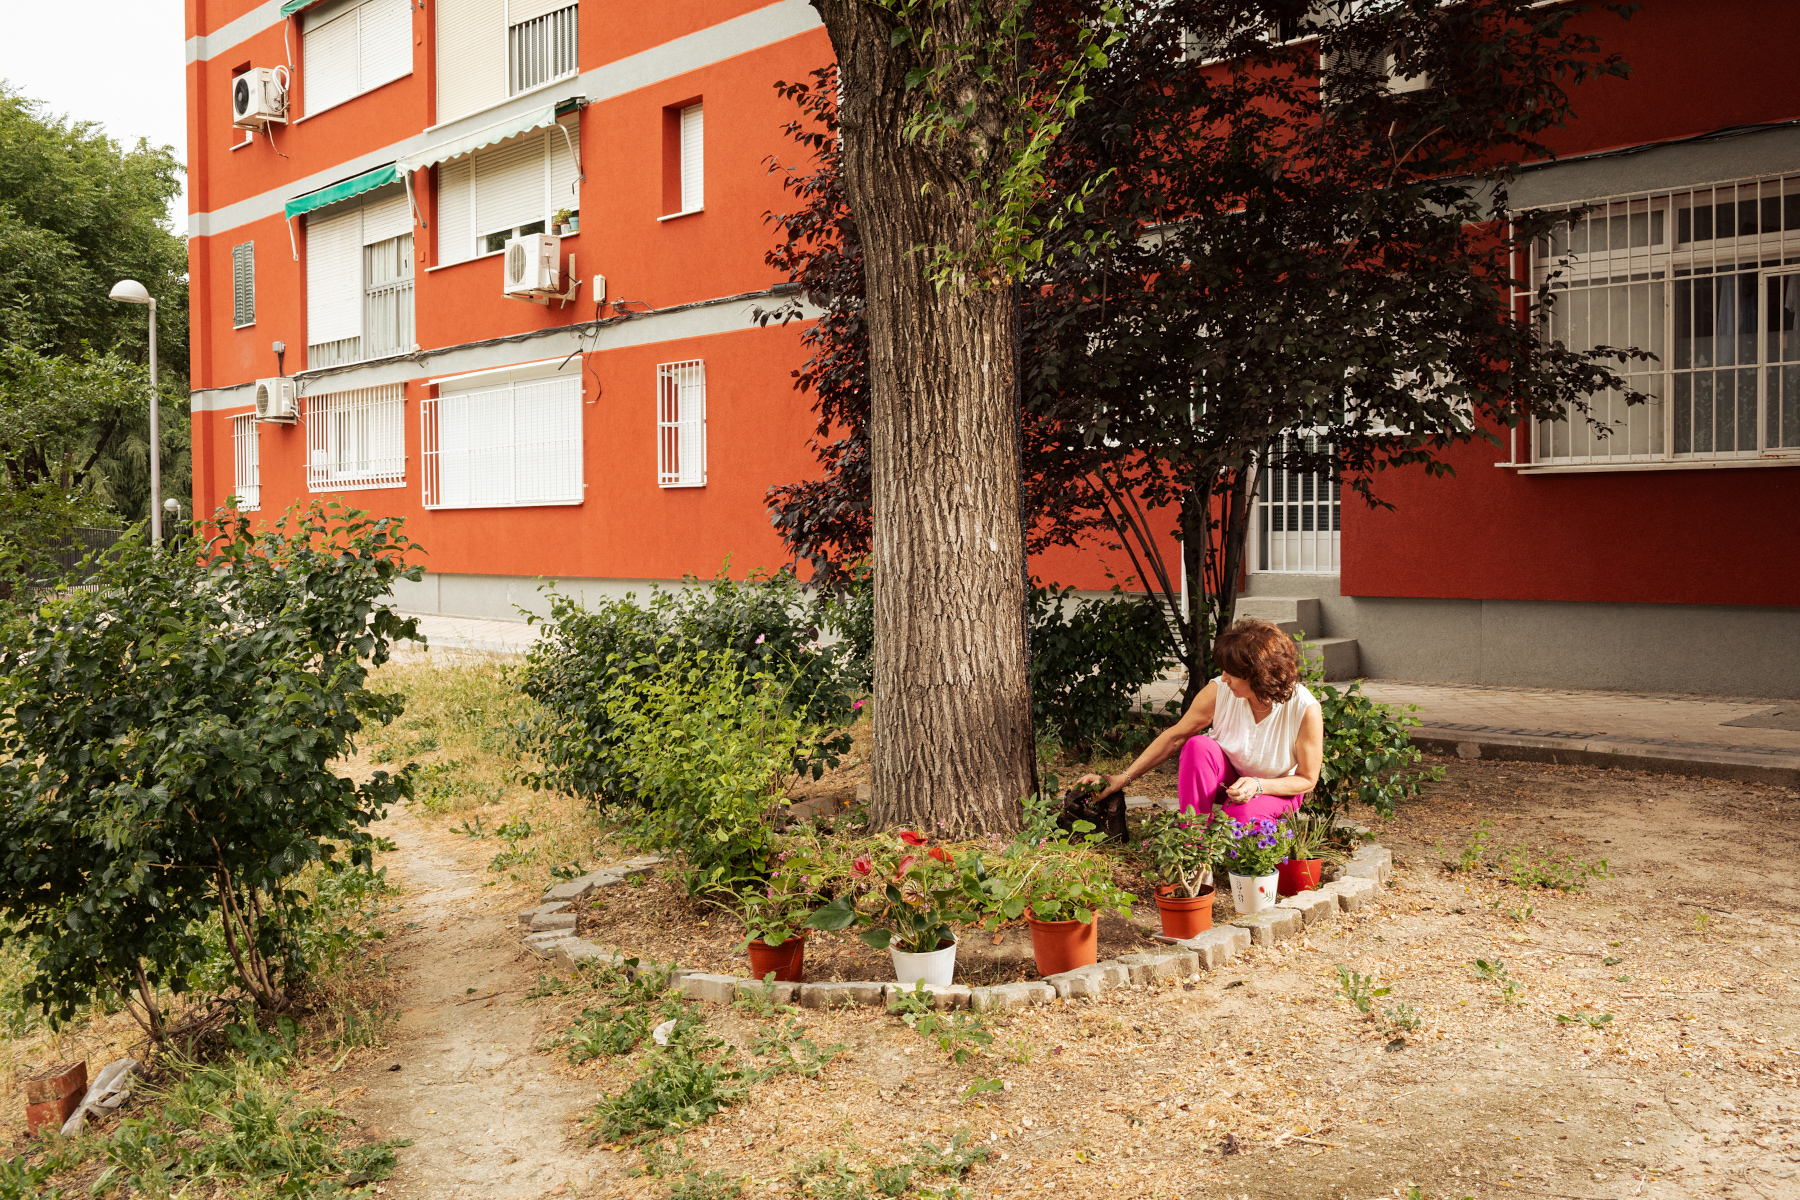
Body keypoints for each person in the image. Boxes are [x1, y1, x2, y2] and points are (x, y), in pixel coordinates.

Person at [1079, 618, 1323, 823]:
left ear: (1258, 675)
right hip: (1229, 782)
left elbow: (1307, 780)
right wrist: (1121, 778)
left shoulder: (1304, 708)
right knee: (1198, 746)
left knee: (1240, 815)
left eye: (1231, 673)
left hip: (1276, 790)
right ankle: (1194, 840)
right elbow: (1174, 738)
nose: (1224, 678)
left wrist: (1258, 786)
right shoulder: (1219, 691)